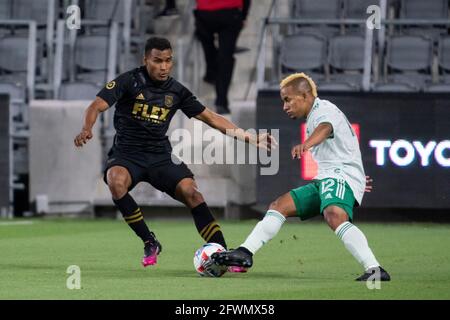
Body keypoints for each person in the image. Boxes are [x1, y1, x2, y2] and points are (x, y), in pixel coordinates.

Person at [73, 37, 274, 269]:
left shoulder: (177, 91)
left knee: (192, 194)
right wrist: (87, 128)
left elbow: (211, 118)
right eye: (158, 61)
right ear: (145, 59)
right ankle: (149, 241)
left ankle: (224, 253)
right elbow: (96, 105)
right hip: (127, 154)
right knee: (115, 182)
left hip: (160, 155)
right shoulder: (129, 81)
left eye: (168, 61)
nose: (164, 67)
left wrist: (249, 136)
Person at [211, 73, 391, 281]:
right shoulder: (317, 113)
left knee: (334, 214)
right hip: (330, 178)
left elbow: (326, 128)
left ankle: (375, 269)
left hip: (339, 175)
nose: (285, 106)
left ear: (305, 96)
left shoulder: (323, 110)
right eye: (283, 101)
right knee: (279, 205)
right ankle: (245, 252)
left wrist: (307, 145)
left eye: (288, 100)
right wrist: (355, 178)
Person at [194, 0, 251, 114]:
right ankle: (221, 102)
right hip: (230, 12)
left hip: (204, 12)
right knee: (226, 57)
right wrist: (244, 15)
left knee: (206, 41)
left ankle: (211, 73)